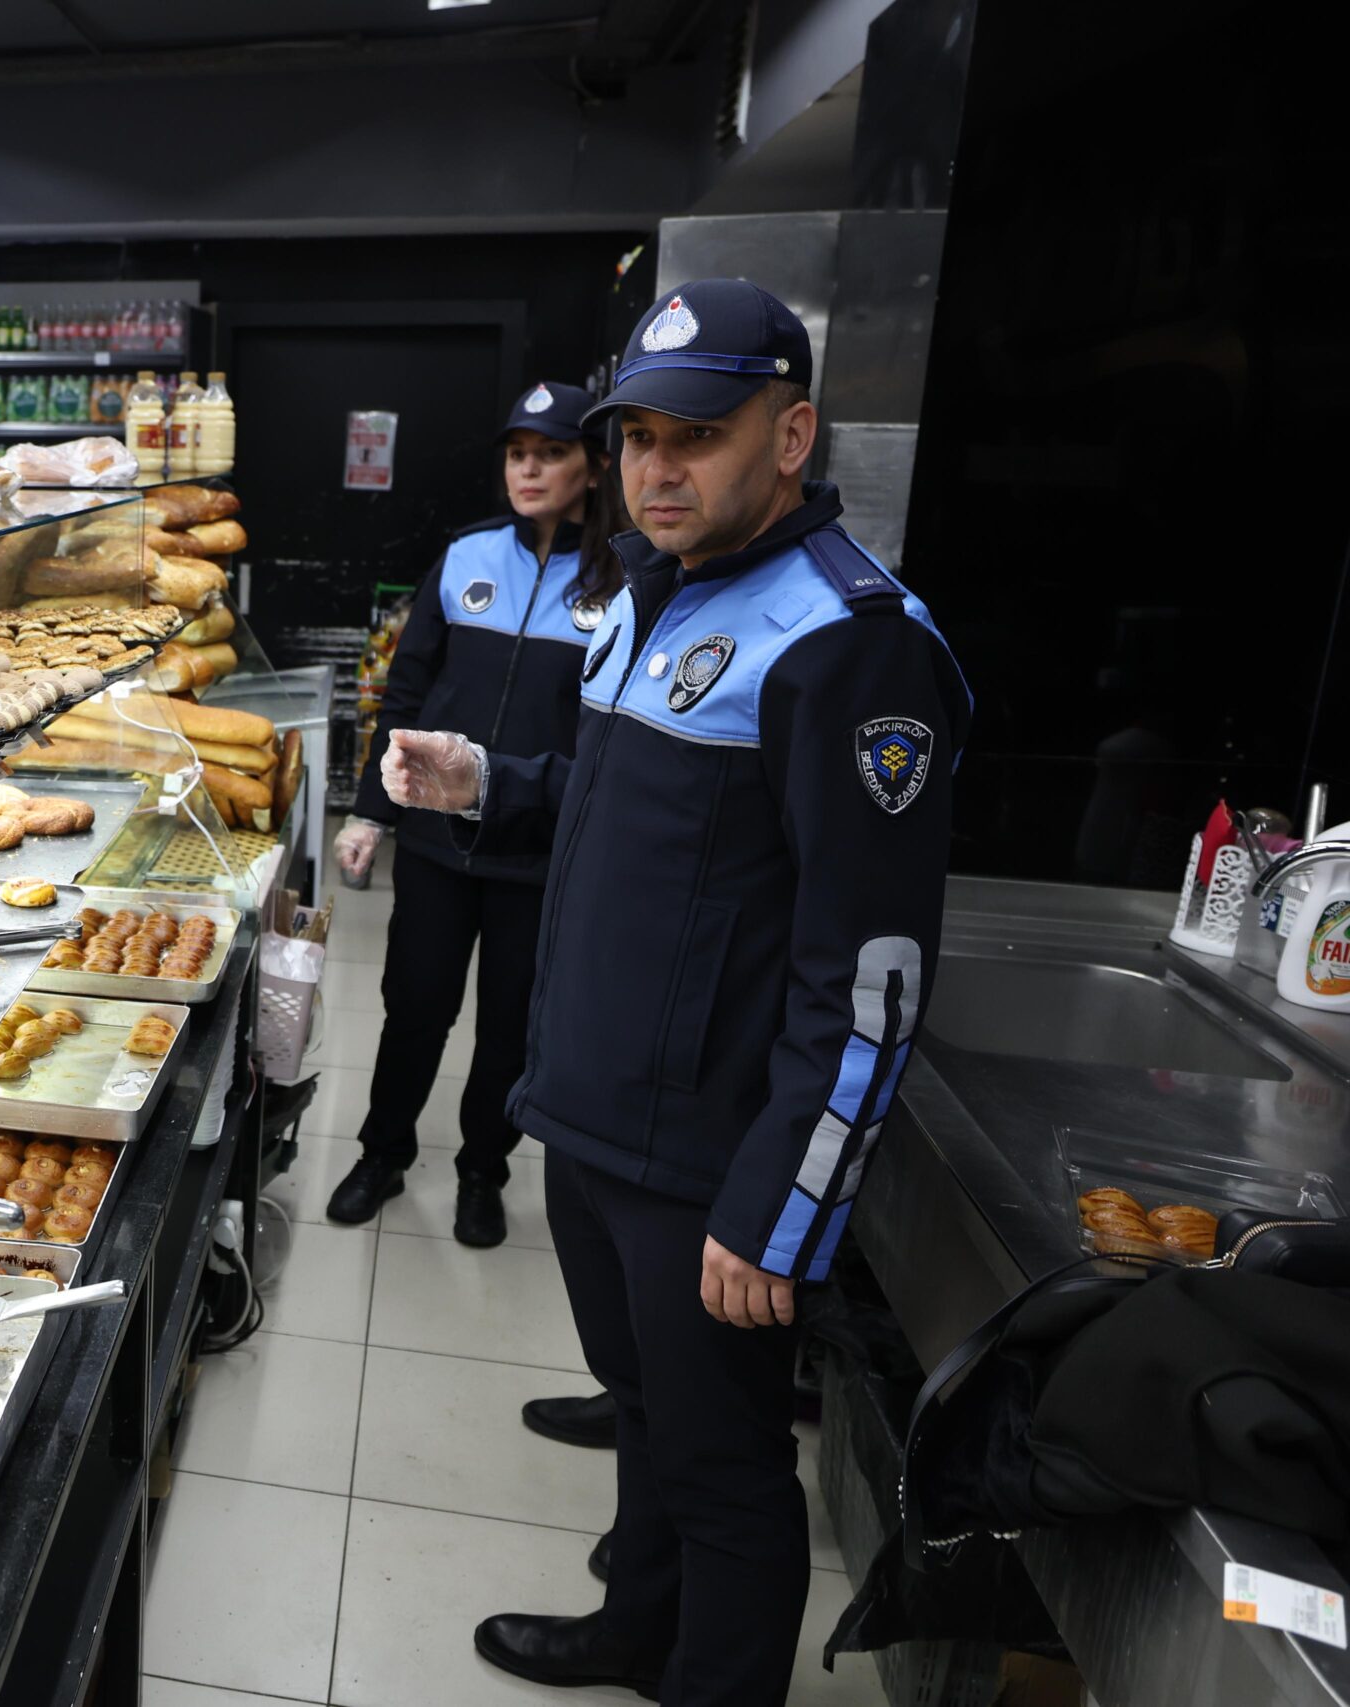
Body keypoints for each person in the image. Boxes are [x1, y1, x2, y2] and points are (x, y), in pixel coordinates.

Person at [383, 278, 969, 1705]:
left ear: (792, 435)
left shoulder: (851, 641)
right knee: (643, 1417)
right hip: (592, 1116)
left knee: (722, 1472)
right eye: (637, 434)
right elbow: (624, 814)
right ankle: (633, 1627)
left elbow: (871, 979)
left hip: (707, 1160)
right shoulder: (656, 592)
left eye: (697, 432)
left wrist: (781, 1205)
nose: (657, 465)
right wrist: (491, 781)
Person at [327, 380, 621, 1247]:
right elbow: (407, 690)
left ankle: (482, 1172)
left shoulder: (626, 578)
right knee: (414, 1006)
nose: (529, 469)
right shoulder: (466, 557)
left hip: (540, 849)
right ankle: (383, 1155)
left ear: (593, 468)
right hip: (434, 841)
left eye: (552, 452)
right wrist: (370, 813)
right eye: (517, 453)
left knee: (510, 1027)